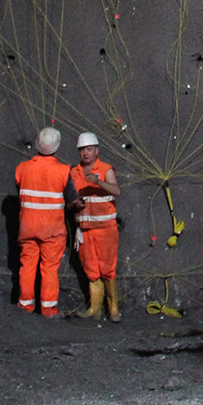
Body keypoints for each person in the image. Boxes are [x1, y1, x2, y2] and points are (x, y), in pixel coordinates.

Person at [15, 127, 75, 317]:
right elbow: (72, 198)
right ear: (57, 147)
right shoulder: (63, 171)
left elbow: (20, 190)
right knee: (49, 268)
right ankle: (48, 309)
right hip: (52, 229)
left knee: (27, 266)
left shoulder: (22, 168)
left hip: (28, 226)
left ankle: (25, 306)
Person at [69, 132, 123, 322]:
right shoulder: (74, 172)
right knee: (91, 269)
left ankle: (113, 309)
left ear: (96, 151)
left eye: (89, 149)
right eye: (82, 150)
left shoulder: (106, 169)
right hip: (85, 229)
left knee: (108, 269)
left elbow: (116, 190)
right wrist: (74, 204)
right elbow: (68, 198)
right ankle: (95, 308)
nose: (85, 153)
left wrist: (98, 182)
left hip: (105, 228)